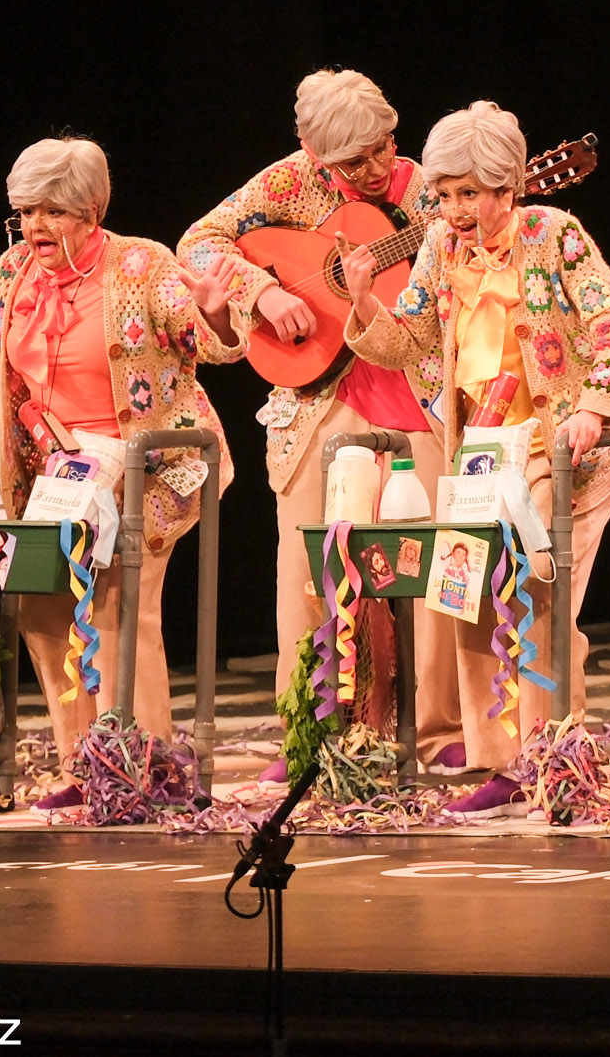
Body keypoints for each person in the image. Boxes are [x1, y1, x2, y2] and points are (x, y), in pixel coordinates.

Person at [0, 137, 243, 794]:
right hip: (57, 477)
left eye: (52, 211)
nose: (34, 227)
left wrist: (215, 312)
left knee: (113, 605)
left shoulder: (141, 266)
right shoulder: (14, 271)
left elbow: (204, 339)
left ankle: (141, 764)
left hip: (149, 466)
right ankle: (83, 765)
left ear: (92, 210)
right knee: (47, 612)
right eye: (25, 212)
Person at [345, 100, 610, 821]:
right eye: (444, 195)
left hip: (559, 452)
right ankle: (496, 761)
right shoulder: (439, 248)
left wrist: (593, 407)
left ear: (508, 187)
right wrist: (362, 301)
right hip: (479, 458)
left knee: (535, 605)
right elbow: (407, 342)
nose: (453, 210)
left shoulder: (554, 236)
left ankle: (550, 756)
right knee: (466, 596)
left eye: (469, 195)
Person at [176, 69, 456, 770]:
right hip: (319, 397)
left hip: (416, 392)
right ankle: (309, 726)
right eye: (350, 161)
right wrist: (263, 292)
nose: (372, 170)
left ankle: (439, 730)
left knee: (438, 564)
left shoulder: (430, 190)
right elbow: (200, 244)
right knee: (308, 566)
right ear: (309, 148)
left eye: (382, 149)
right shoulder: (284, 185)